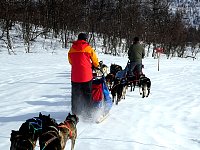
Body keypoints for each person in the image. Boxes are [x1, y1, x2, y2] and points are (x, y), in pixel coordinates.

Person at [68, 33, 99, 118]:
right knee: (87, 94)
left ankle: (75, 113)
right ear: (85, 39)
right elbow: (95, 62)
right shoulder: (88, 48)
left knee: (75, 95)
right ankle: (88, 113)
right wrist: (95, 65)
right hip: (86, 76)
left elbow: (70, 61)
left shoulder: (72, 49)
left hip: (75, 76)